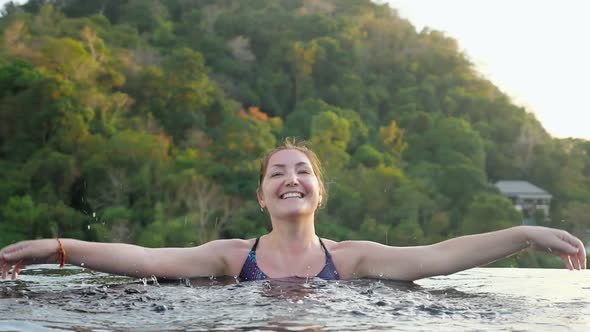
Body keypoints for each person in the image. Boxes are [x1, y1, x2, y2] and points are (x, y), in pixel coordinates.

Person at [0, 139, 587, 281]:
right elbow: (146, 256)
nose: (291, 178)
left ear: (319, 192)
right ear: (261, 196)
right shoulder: (231, 258)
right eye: (277, 172)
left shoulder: (353, 259)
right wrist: (58, 248)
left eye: (303, 170)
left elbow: (438, 256)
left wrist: (525, 234)